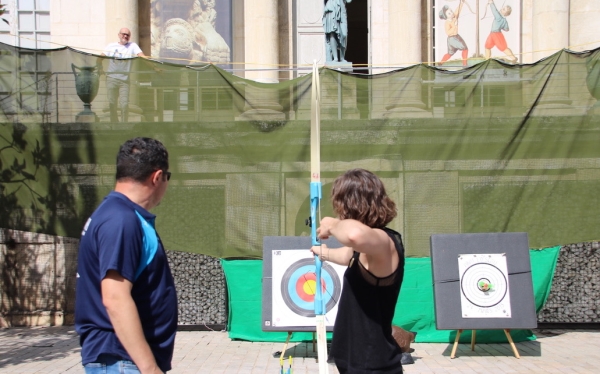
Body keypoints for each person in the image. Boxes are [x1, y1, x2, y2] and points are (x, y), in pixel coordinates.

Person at [75, 137, 177, 374]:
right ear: (157, 176)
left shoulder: (118, 215)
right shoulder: (122, 220)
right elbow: (115, 298)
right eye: (167, 177)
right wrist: (150, 369)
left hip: (122, 359)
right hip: (120, 360)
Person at [310, 168, 406, 373]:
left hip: (373, 364)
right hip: (356, 360)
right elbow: (347, 256)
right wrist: (322, 252)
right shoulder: (366, 249)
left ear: (350, 204)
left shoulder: (384, 241)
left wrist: (332, 224)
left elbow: (354, 235)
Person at [99, 28, 148, 122]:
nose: (125, 36)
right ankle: (114, 123)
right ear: (119, 35)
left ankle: (124, 123)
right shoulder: (111, 46)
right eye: (123, 34)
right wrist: (100, 68)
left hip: (124, 80)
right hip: (111, 78)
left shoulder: (133, 46)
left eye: (128, 35)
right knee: (112, 103)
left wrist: (154, 66)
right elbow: (99, 58)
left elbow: (143, 57)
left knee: (124, 104)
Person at [438, 0, 469, 66]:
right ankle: (465, 65)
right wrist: (454, 26)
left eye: (451, 11)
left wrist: (461, 3)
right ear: (446, 16)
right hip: (453, 38)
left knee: (450, 53)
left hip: (454, 38)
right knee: (465, 49)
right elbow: (448, 32)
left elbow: (457, 11)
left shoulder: (453, 18)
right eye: (449, 13)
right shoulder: (447, 23)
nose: (451, 13)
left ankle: (440, 63)